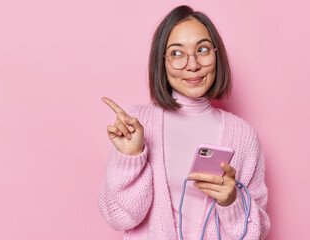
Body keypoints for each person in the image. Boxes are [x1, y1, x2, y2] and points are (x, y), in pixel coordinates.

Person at [98, 5, 270, 240]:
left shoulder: (243, 135)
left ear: (216, 55)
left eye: (202, 49)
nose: (192, 65)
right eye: (177, 53)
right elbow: (121, 218)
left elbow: (255, 233)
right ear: (162, 62)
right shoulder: (139, 124)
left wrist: (232, 203)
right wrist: (130, 159)